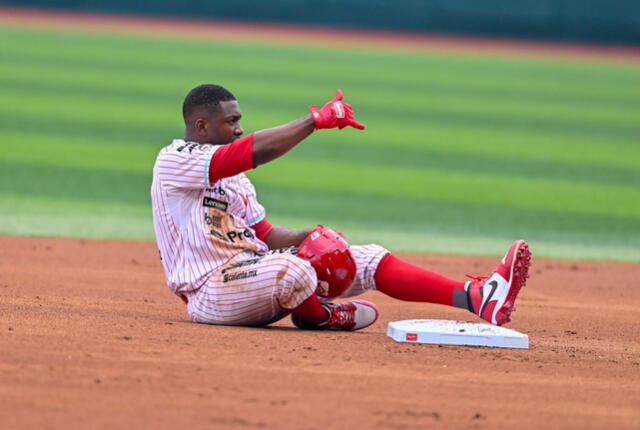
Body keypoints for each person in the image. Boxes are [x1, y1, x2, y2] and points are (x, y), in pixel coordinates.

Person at [151, 84, 531, 331]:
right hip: (210, 293)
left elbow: (265, 236)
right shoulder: (175, 159)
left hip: (252, 274)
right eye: (231, 121)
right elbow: (253, 151)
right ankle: (320, 317)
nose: (238, 128)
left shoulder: (236, 180)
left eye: (240, 121)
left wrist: (312, 237)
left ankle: (475, 297)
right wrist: (314, 121)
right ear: (201, 127)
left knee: (362, 257)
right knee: (292, 270)